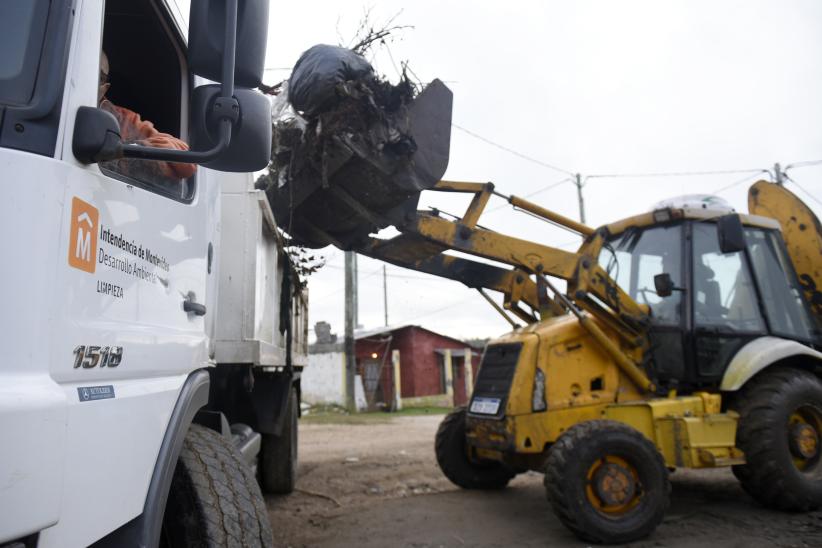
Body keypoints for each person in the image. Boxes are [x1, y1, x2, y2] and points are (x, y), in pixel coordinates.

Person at [98, 51, 196, 183]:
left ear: (105, 88)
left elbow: (185, 161)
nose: (89, 78)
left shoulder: (124, 120)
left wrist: (125, 153)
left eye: (99, 76)